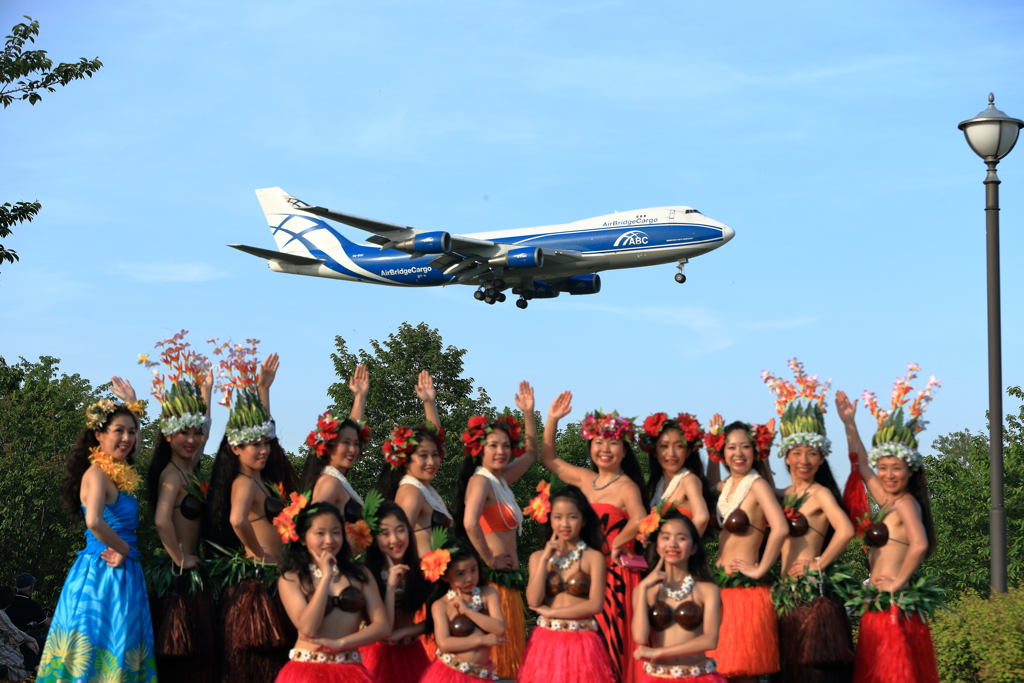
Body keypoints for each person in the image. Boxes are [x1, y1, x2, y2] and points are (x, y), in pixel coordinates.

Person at [36, 396, 157, 682]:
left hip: (124, 570)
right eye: (119, 430)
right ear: (99, 435)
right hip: (103, 572)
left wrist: (131, 404)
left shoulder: (118, 474)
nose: (127, 437)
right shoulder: (97, 473)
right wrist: (124, 547)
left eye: (132, 431)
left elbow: (134, 446)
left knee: (122, 647)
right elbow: (93, 521)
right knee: (97, 655)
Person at [837, 366, 941, 683]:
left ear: (910, 472)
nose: (889, 474)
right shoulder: (888, 504)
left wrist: (897, 584)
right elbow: (862, 464)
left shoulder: (907, 503)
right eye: (884, 468)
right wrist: (850, 424)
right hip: (878, 603)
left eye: (896, 468)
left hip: (895, 603)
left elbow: (920, 544)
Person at [540, 392, 649, 683]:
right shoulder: (583, 479)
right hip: (580, 572)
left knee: (607, 646)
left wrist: (612, 546)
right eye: (598, 442)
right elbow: (548, 458)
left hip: (614, 575)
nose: (605, 448)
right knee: (580, 650)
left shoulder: (627, 486)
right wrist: (552, 419)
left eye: (613, 442)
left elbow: (640, 519)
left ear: (624, 450)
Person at [206, 344, 298, 683]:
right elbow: (236, 519)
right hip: (257, 580)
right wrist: (258, 554)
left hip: (275, 576)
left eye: (265, 443)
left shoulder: (264, 482)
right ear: (235, 448)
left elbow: (265, 432)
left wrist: (263, 391)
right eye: (253, 444)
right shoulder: (243, 483)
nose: (261, 450)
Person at [762, 361, 855, 683]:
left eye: (813, 454)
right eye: (797, 453)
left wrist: (818, 563)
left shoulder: (820, 494)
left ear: (822, 458)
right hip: (784, 593)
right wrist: (760, 447)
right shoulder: (781, 494)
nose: (804, 461)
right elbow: (754, 490)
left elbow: (846, 530)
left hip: (811, 593)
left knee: (813, 672)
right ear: (786, 455)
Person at [141, 331, 219, 683]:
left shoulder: (190, 468)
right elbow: (161, 520)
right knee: (182, 662)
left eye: (195, 434)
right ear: (169, 436)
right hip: (178, 580)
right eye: (183, 434)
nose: (191, 440)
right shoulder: (172, 475)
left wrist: (207, 390)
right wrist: (179, 558)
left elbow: (206, 425)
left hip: (195, 576)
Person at [452, 381, 537, 679]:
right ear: (480, 450)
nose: (501, 451)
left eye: (504, 445)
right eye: (493, 446)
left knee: (510, 656)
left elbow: (530, 455)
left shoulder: (500, 480)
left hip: (508, 579)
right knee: (496, 661)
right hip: (492, 578)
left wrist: (528, 413)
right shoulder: (481, 481)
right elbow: (469, 522)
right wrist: (488, 559)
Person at [702, 415, 787, 683]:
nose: (738, 453)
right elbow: (706, 486)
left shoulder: (758, 485)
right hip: (720, 587)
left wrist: (760, 568)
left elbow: (781, 528)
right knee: (718, 668)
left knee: (742, 671)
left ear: (755, 451)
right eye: (730, 447)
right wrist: (712, 440)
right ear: (722, 452)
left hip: (744, 590)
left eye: (745, 446)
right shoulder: (726, 487)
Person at [273, 499, 390, 683]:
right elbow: (308, 629)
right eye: (320, 533)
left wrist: (342, 643)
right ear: (303, 538)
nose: (329, 540)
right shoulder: (291, 579)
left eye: (336, 533)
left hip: (350, 670)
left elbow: (382, 626)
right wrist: (326, 577)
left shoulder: (360, 575)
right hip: (306, 672)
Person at [519, 485, 614, 683]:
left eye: (572, 516)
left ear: (584, 520)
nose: (565, 523)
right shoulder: (538, 557)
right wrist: (545, 559)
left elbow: (595, 605)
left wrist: (552, 612)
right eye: (558, 517)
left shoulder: (594, 557)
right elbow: (533, 600)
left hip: (582, 640)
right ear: (549, 518)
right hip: (546, 640)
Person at [632, 507, 725, 683]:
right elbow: (640, 637)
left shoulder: (708, 590)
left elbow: (710, 640)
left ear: (694, 548)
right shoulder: (644, 590)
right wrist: (643, 588)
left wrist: (658, 652)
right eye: (665, 537)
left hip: (699, 677)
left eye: (681, 538)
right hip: (658, 678)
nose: (672, 544)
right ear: (657, 545)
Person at [378, 371, 453, 557]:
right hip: (421, 579)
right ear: (405, 459)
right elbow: (397, 543)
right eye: (423, 456)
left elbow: (435, 439)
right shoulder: (411, 492)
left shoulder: (423, 489)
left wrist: (429, 403)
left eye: (435, 455)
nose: (431, 461)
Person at [360, 501, 432, 682]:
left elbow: (436, 619)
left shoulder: (421, 570)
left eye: (400, 530)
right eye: (385, 534)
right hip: (376, 654)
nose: (395, 539)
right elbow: (384, 629)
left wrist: (406, 632)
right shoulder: (367, 575)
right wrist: (390, 588)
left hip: (412, 653)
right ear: (374, 539)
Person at [419, 537, 507, 683]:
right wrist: (482, 640)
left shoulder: (488, 593)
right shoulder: (441, 605)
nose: (469, 578)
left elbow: (499, 628)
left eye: (473, 570)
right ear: (446, 576)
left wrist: (468, 611)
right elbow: (445, 643)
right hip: (450, 675)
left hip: (481, 675)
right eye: (460, 573)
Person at [303, 364, 371, 519]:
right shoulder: (330, 482)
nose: (353, 449)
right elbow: (313, 520)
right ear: (328, 446)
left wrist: (360, 398)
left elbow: (352, 430)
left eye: (355, 444)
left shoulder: (335, 478)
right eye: (346, 443)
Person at [639, 412, 712, 535]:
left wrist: (686, 547)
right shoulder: (659, 487)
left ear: (688, 452)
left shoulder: (688, 480)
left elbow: (702, 517)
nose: (671, 453)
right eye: (664, 446)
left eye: (679, 446)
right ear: (655, 452)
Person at [7, 573, 48, 670]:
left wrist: (34, 625)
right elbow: (47, 624)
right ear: (31, 587)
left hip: (8, 639)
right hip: (22, 640)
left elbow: (18, 622)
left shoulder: (8, 601)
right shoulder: (31, 604)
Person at [1, 586, 37, 682]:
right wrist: (31, 640)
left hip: (10, 641)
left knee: (25, 645)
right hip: (4, 647)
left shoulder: (5, 613)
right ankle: (37, 670)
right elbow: (14, 631)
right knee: (27, 647)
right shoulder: (1, 614)